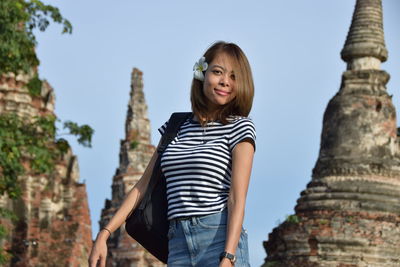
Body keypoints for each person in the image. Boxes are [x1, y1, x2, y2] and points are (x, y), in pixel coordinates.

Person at [89, 41, 256, 267]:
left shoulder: (240, 127)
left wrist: (228, 256)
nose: (225, 81)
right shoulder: (176, 125)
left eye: (234, 76)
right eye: (218, 72)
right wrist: (105, 233)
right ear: (202, 74)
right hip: (177, 244)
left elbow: (237, 198)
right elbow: (142, 186)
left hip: (217, 238)